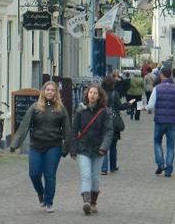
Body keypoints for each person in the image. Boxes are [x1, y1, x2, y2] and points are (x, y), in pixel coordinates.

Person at [10, 81, 72, 213]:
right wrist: (14, 144)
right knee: (34, 174)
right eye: (47, 89)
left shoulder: (60, 109)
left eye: (52, 90)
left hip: (53, 145)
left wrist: (66, 148)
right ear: (43, 91)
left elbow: (67, 130)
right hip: (36, 145)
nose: (49, 92)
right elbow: (24, 126)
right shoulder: (35, 107)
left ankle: (48, 202)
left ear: (56, 93)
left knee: (49, 175)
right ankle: (40, 192)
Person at [70, 84, 113, 215]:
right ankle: (86, 202)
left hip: (98, 149)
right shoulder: (80, 110)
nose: (92, 95)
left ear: (99, 96)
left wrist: (104, 147)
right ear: (87, 95)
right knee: (86, 175)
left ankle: (93, 202)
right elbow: (74, 131)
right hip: (83, 148)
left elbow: (109, 131)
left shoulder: (105, 112)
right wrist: (73, 149)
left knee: (95, 177)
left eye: (95, 93)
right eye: (90, 93)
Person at [146, 67, 175, 177]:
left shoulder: (157, 88)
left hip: (159, 120)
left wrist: (145, 107)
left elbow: (151, 105)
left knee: (157, 141)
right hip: (172, 121)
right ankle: (168, 169)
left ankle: (160, 164)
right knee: (170, 146)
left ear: (161, 75)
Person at [100, 76, 121, 175]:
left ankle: (104, 168)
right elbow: (119, 106)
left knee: (104, 144)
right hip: (113, 121)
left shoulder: (100, 94)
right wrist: (128, 104)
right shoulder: (114, 94)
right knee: (113, 145)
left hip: (102, 120)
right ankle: (113, 166)